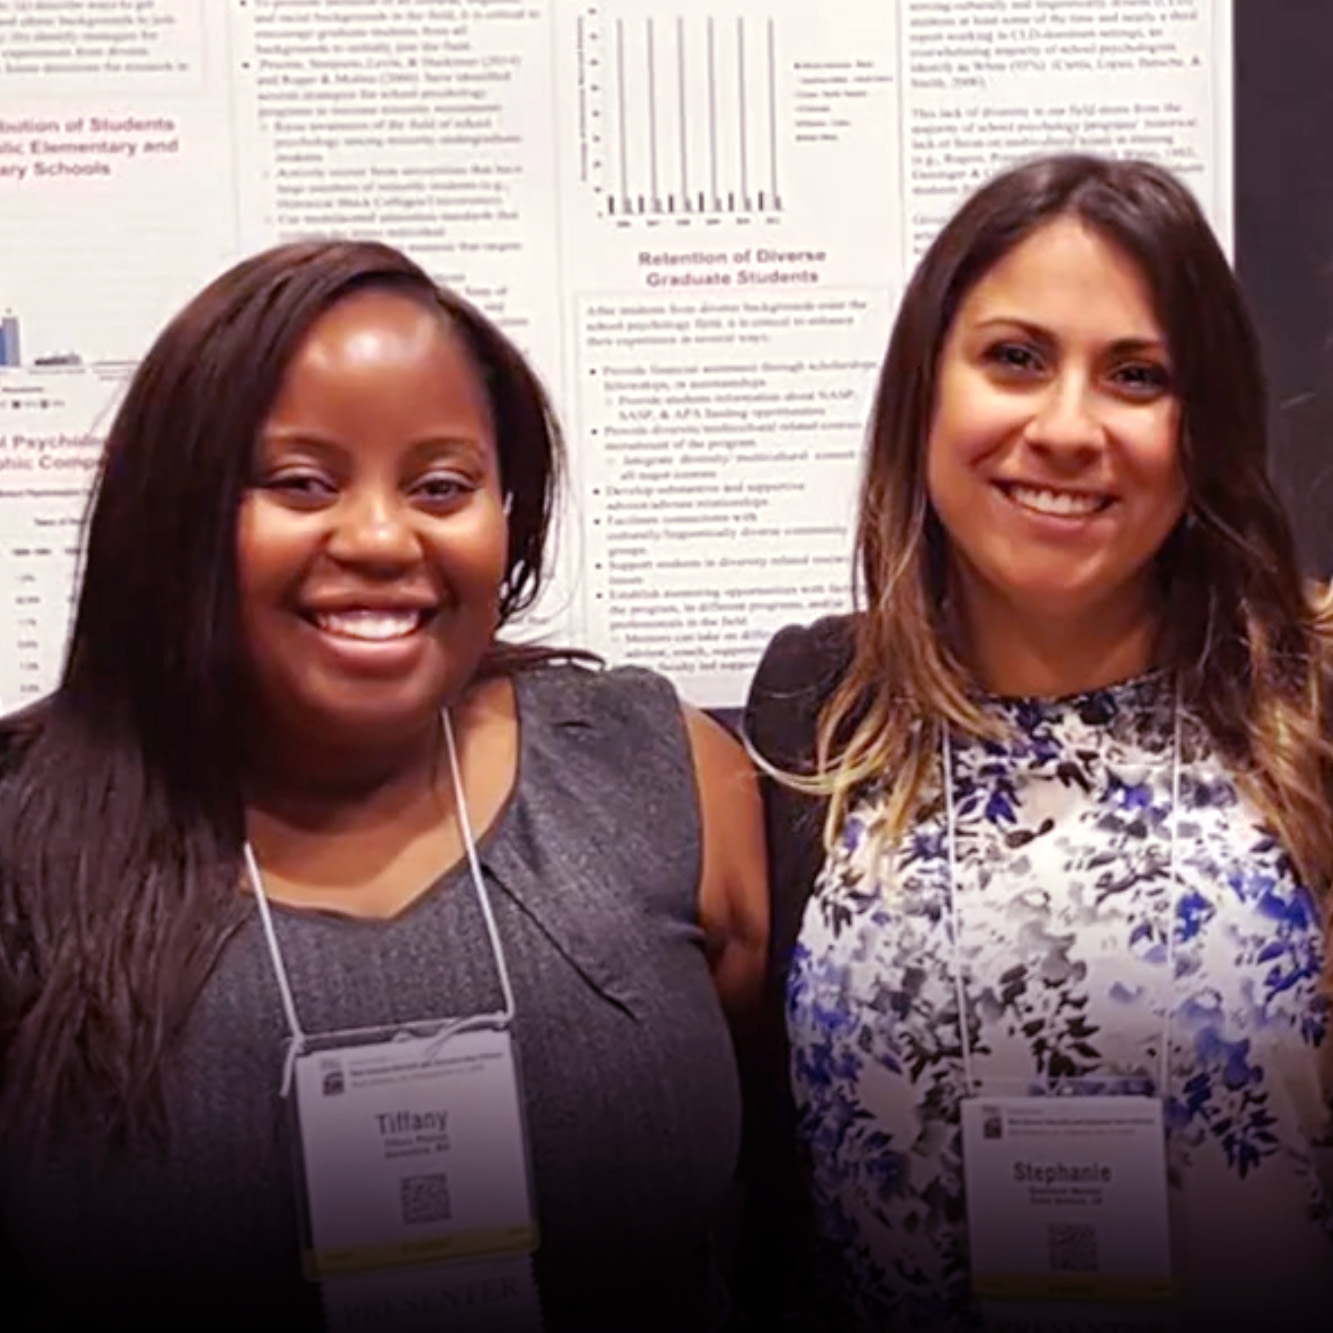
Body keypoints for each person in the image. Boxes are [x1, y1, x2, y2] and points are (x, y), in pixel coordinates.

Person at [0, 238, 768, 1330]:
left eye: (442, 486)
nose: (376, 536)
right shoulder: (27, 840)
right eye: (300, 483)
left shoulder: (659, 775)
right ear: (176, 514)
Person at [740, 154, 1333, 1332]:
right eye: (1014, 358)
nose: (1065, 427)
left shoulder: (1306, 701)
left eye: (1136, 376)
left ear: (1203, 426)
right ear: (924, 393)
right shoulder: (818, 708)